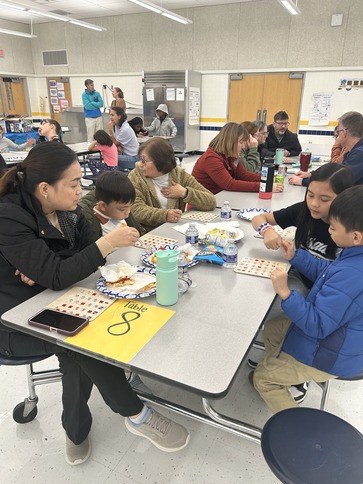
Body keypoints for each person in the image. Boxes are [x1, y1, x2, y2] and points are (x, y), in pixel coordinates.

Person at [0, 142, 189, 465]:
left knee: (80, 340)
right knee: (77, 343)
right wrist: (71, 262)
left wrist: (51, 268)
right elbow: (77, 262)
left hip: (61, 300)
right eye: (74, 184)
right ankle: (136, 413)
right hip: (15, 320)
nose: (80, 190)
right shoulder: (10, 216)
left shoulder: (67, 210)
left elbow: (76, 260)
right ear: (45, 189)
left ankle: (75, 432)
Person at [252, 185, 363, 414]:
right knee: (273, 328)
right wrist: (296, 256)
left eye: (333, 227)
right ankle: (281, 368)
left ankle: (299, 428)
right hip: (339, 338)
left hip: (329, 354)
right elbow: (328, 271)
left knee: (262, 379)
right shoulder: (354, 256)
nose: (329, 231)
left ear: (355, 236)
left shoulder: (354, 273)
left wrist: (285, 293)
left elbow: (317, 325)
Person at [128, 137, 216, 233]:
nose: (140, 164)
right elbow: (136, 210)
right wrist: (165, 215)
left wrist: (184, 193)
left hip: (176, 231)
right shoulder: (136, 176)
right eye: (140, 159)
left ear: (160, 161)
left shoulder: (179, 175)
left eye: (144, 161)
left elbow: (211, 201)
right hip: (149, 233)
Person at [191, 123, 284, 195]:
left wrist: (268, 179)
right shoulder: (211, 158)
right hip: (203, 202)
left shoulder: (230, 155)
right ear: (230, 141)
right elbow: (229, 184)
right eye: (241, 142)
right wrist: (264, 186)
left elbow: (243, 175)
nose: (243, 146)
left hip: (219, 197)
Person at [289, 111, 363, 187]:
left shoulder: (359, 154)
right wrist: (312, 175)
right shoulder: (354, 151)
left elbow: (340, 181)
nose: (337, 136)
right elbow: (336, 171)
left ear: (344, 133)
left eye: (338, 132)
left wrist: (304, 181)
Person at [78, 170, 145, 237]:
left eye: (130, 206)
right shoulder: (91, 224)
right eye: (122, 209)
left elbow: (139, 231)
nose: (128, 212)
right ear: (103, 206)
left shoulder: (120, 209)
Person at [109, 107, 139, 171]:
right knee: (112, 166)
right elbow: (117, 143)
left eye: (112, 115)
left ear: (119, 116)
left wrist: (110, 131)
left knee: (110, 157)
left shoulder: (126, 129)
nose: (110, 118)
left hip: (134, 158)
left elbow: (115, 143)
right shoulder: (117, 126)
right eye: (110, 115)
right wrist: (118, 145)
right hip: (125, 154)